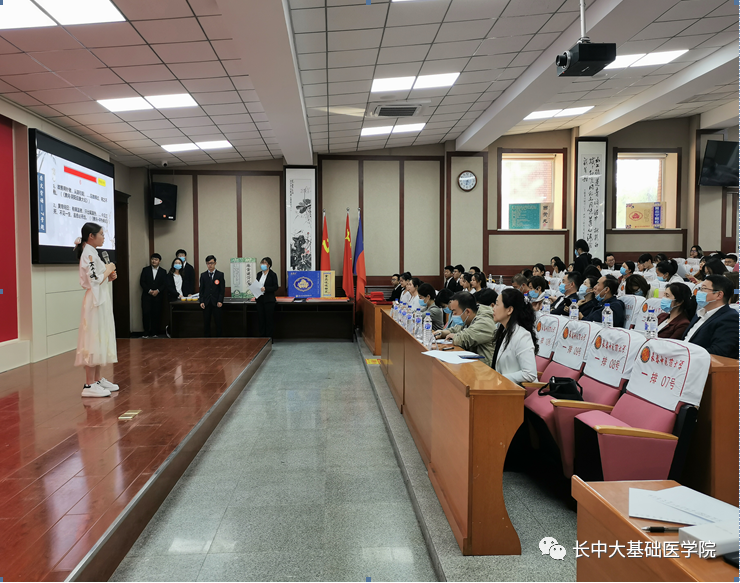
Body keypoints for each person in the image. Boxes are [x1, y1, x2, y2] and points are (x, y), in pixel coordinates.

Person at [73, 222, 119, 398]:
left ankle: (97, 379)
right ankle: (89, 383)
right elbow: (94, 280)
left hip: (101, 299)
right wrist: (109, 269)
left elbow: (99, 278)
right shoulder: (88, 254)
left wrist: (109, 276)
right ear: (91, 236)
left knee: (100, 337)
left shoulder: (94, 253)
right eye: (101, 234)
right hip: (94, 302)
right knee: (93, 338)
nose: (104, 237)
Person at [683, 275, 739, 358]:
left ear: (719, 295)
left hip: (698, 361)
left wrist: (684, 354)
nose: (698, 292)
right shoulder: (700, 313)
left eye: (703, 289)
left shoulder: (730, 318)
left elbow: (718, 352)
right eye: (700, 288)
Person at [434, 292, 496, 366]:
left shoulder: (485, 322)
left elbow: (463, 338)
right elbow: (456, 329)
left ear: (467, 311)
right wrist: (443, 333)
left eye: (454, 312)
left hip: (484, 367)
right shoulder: (469, 318)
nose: (453, 315)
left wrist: (454, 336)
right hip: (472, 363)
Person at [491, 289, 538, 384]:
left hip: (516, 389)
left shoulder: (522, 336)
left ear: (509, 310)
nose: (493, 308)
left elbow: (530, 373)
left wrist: (499, 378)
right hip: (503, 386)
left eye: (497, 304)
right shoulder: (503, 331)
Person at [140, 253, 167, 338]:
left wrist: (157, 291)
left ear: (159, 261)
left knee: (156, 314)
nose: (153, 261)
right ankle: (146, 332)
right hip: (146, 296)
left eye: (156, 260)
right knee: (146, 313)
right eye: (152, 259)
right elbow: (142, 282)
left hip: (158, 296)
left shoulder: (163, 271)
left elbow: (164, 284)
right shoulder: (145, 270)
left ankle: (155, 332)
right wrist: (149, 291)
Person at [200, 255, 225, 337]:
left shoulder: (220, 275)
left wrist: (220, 300)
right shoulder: (203, 275)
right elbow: (201, 290)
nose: (210, 265)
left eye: (211, 263)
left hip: (216, 302)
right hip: (206, 302)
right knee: (206, 322)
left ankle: (219, 338)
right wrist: (201, 301)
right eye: (208, 263)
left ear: (215, 263)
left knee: (218, 322)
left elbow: (222, 290)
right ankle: (206, 338)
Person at [255, 256, 279, 337]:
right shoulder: (259, 274)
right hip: (260, 300)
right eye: (262, 263)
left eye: (264, 263)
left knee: (269, 320)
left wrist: (266, 289)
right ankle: (262, 337)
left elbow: (275, 287)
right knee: (261, 319)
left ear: (269, 265)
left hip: (269, 300)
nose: (263, 264)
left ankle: (269, 337)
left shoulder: (273, 275)